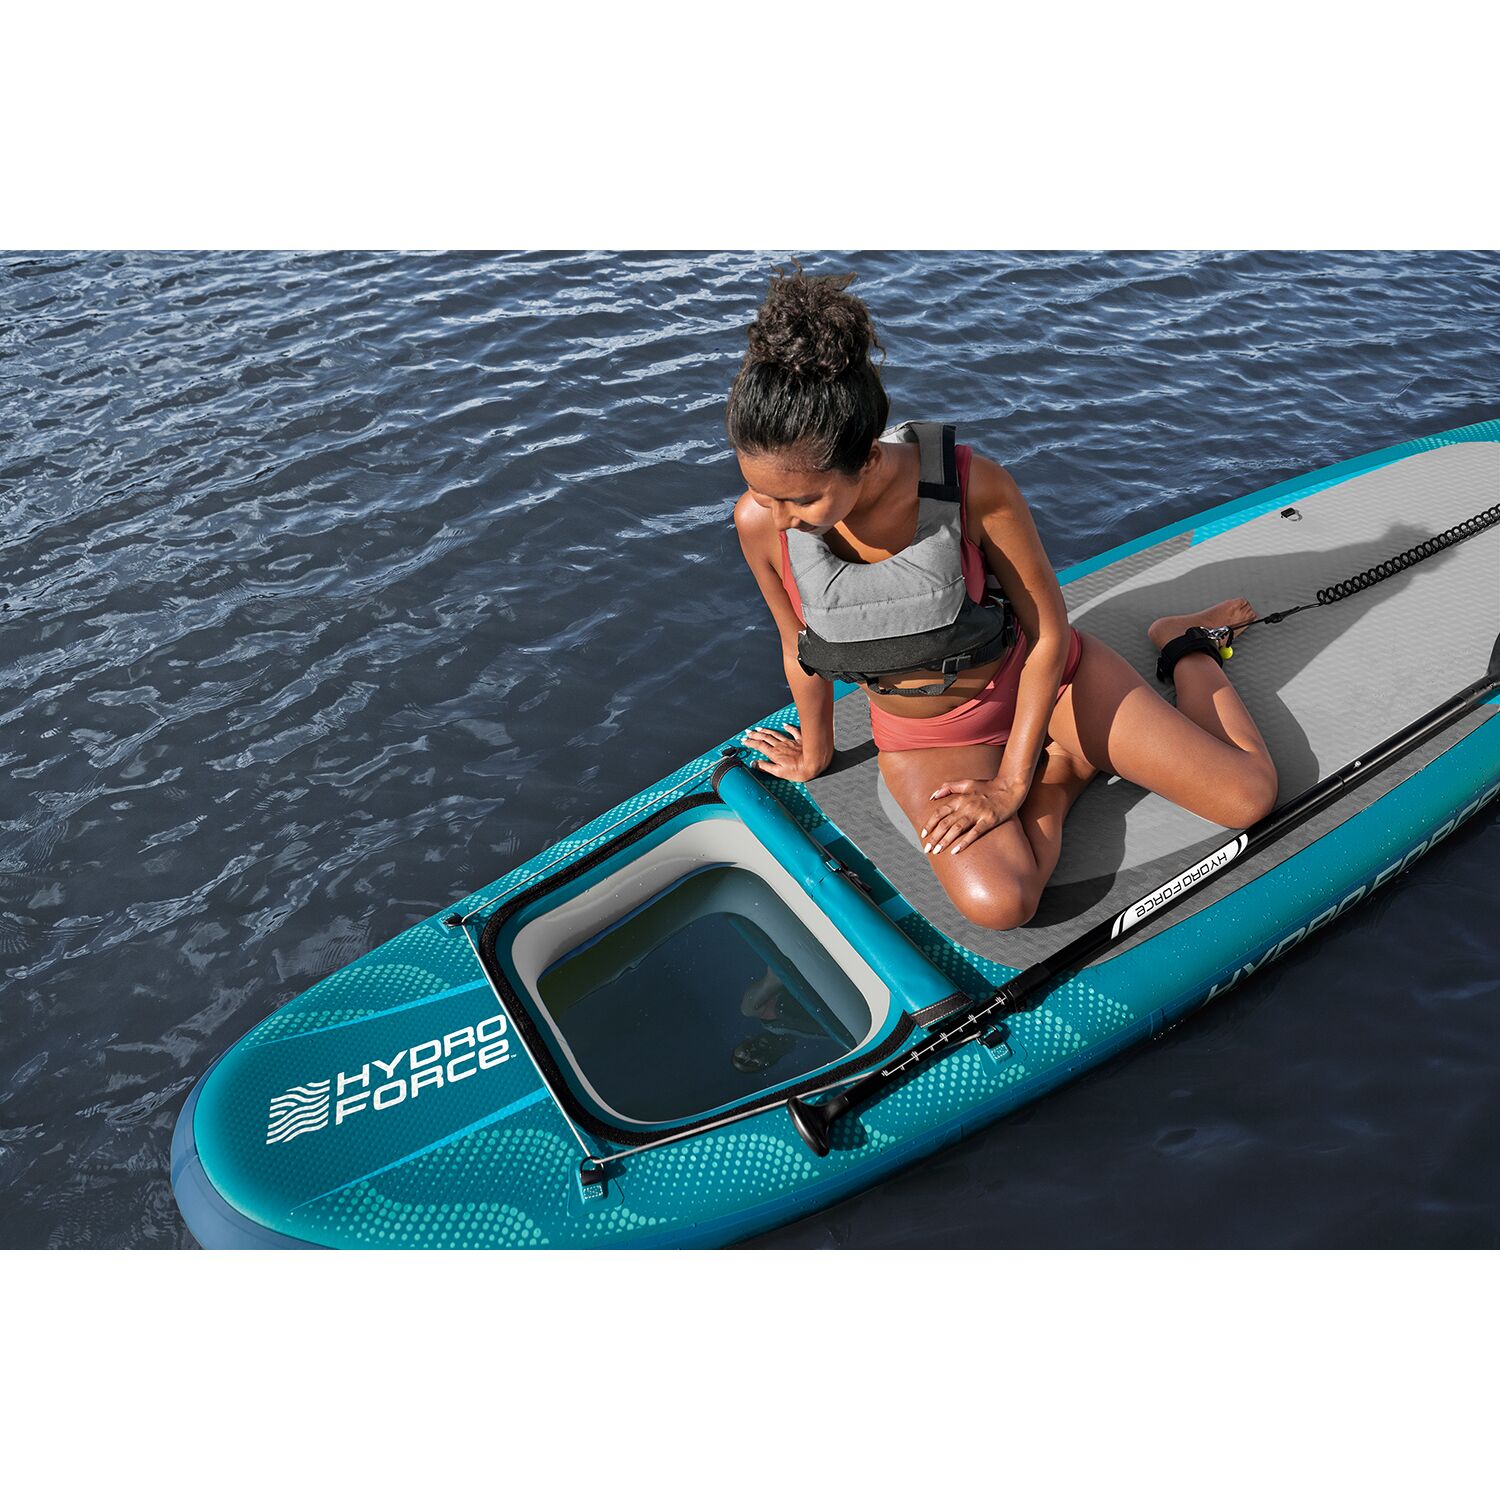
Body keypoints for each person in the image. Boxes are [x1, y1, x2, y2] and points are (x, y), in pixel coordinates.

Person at [726, 263, 1279, 931]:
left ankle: (1186, 645)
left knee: (1248, 797)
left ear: (867, 458)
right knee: (1002, 904)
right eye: (762, 492)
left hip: (1049, 682)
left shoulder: (972, 486)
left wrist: (1012, 784)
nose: (782, 517)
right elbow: (798, 644)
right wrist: (816, 751)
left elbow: (1048, 631)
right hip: (927, 738)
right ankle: (1067, 767)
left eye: (803, 498)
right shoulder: (760, 523)